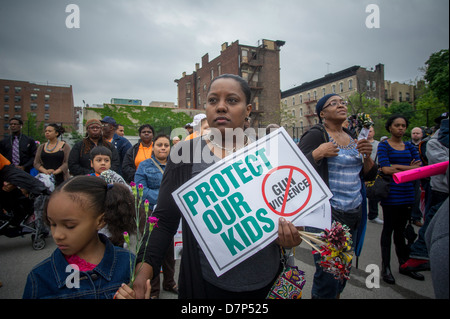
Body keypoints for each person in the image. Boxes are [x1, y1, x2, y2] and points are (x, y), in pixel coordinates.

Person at [116, 74, 302, 299]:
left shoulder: (271, 153)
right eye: (213, 100)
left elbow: (291, 214)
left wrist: (291, 236)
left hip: (265, 283)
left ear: (248, 109)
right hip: (205, 285)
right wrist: (143, 272)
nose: (221, 107)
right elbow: (164, 221)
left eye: (232, 100)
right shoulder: (184, 156)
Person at [298, 93, 377, 299]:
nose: (341, 105)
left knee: (343, 271)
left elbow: (369, 175)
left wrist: (367, 156)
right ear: (322, 113)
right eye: (334, 103)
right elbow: (295, 168)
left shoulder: (352, 136)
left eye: (343, 102)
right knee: (329, 275)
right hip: (327, 214)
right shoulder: (316, 135)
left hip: (354, 211)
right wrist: (319, 153)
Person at [22, 176, 135, 299]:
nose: (57, 235)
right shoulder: (40, 278)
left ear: (100, 221)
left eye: (70, 226)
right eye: (52, 224)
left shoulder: (128, 264)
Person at [377, 115, 424, 284]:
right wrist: (409, 168)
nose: (401, 128)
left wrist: (398, 167)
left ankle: (404, 264)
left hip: (407, 193)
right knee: (388, 231)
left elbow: (419, 168)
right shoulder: (384, 146)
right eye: (397, 125)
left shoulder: (410, 146)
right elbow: (385, 169)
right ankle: (386, 267)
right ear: (390, 127)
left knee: (401, 232)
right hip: (391, 195)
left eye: (403, 125)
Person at [401, 117, 449, 274]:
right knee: (433, 221)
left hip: (430, 185)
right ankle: (419, 253)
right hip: (440, 189)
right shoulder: (434, 142)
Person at [134, 134, 177, 298]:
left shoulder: (176, 166)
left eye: (166, 145)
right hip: (150, 212)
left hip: (172, 214)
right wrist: (164, 197)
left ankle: (170, 282)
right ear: (153, 147)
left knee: (171, 252)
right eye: (159, 145)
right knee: (152, 251)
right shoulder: (144, 166)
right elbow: (140, 189)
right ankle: (153, 289)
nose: (163, 148)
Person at [366, 126, 383, 225]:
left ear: (374, 132)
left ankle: (373, 215)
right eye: (367, 131)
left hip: (376, 170)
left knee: (374, 194)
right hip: (364, 170)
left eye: (371, 131)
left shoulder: (379, 144)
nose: (369, 133)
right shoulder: (359, 143)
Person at [410, 127, 424, 226]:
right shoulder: (407, 145)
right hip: (408, 174)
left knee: (417, 196)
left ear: (421, 134)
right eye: (414, 133)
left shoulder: (424, 145)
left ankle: (416, 217)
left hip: (421, 174)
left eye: (417, 133)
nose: (415, 135)